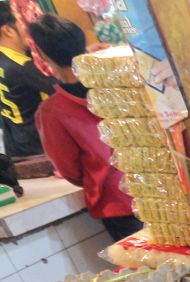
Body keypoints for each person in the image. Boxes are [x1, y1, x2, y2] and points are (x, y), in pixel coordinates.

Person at [28, 15, 141, 242]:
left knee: (153, 275)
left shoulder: (52, 112)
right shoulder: (120, 84)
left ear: (44, 55)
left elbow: (69, 170)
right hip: (157, 189)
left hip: (116, 202)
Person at [0, 1, 53, 157]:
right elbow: (61, 90)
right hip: (36, 150)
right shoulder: (21, 66)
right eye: (21, 23)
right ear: (8, 30)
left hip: (16, 147)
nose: (27, 30)